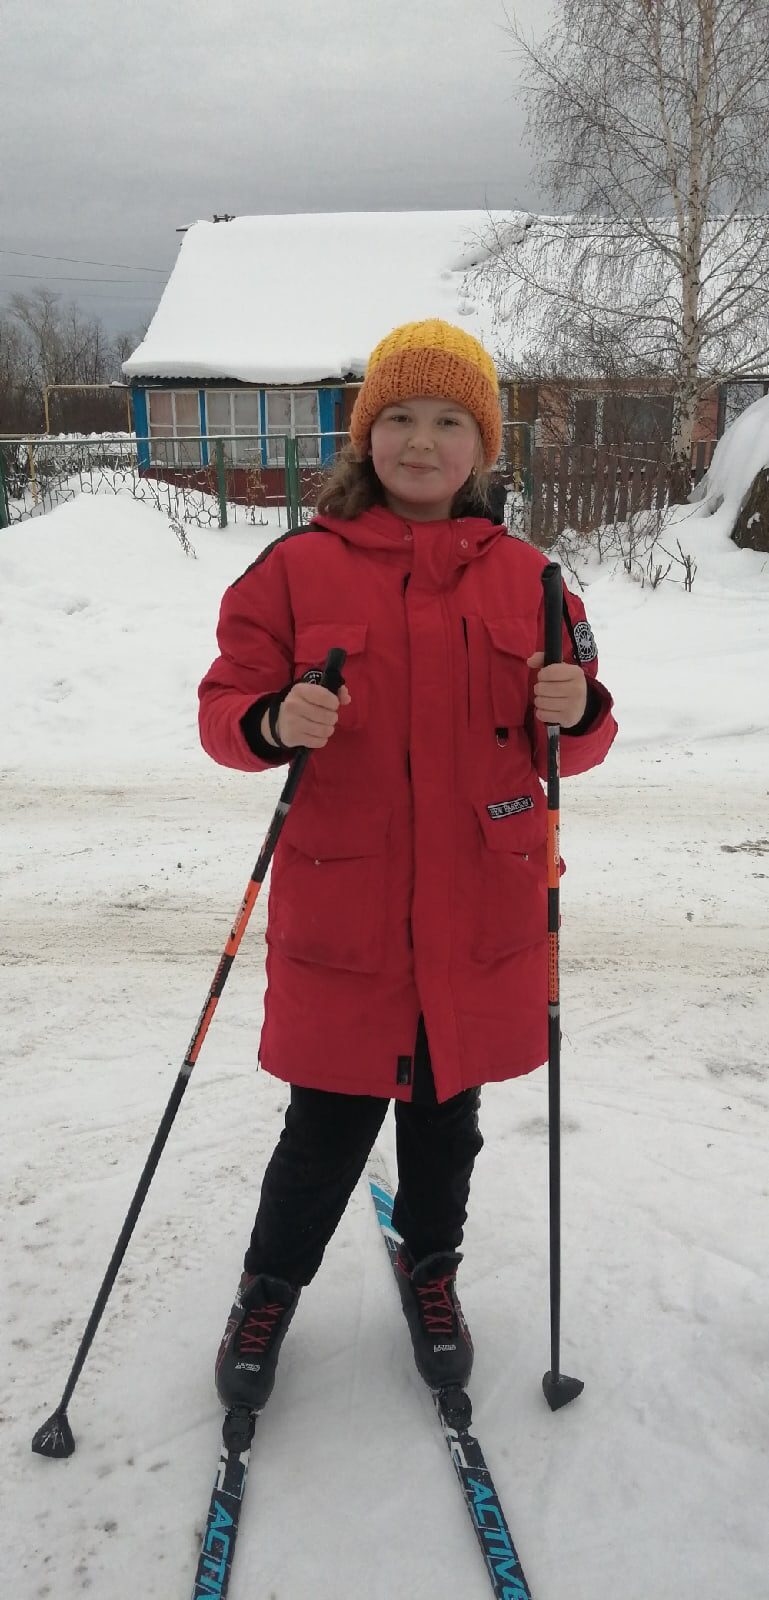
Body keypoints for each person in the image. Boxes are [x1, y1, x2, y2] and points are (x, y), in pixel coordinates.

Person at [198, 318, 617, 1411]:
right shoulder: (296, 569)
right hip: (348, 912)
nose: (420, 442)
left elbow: (579, 738)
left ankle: (432, 1272)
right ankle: (267, 1290)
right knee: (323, 1128)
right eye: (397, 418)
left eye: (447, 422)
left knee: (444, 1123)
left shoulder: (533, 579)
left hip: (479, 912)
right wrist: (273, 720)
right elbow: (222, 711)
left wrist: (577, 707)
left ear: (482, 446)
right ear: (362, 434)